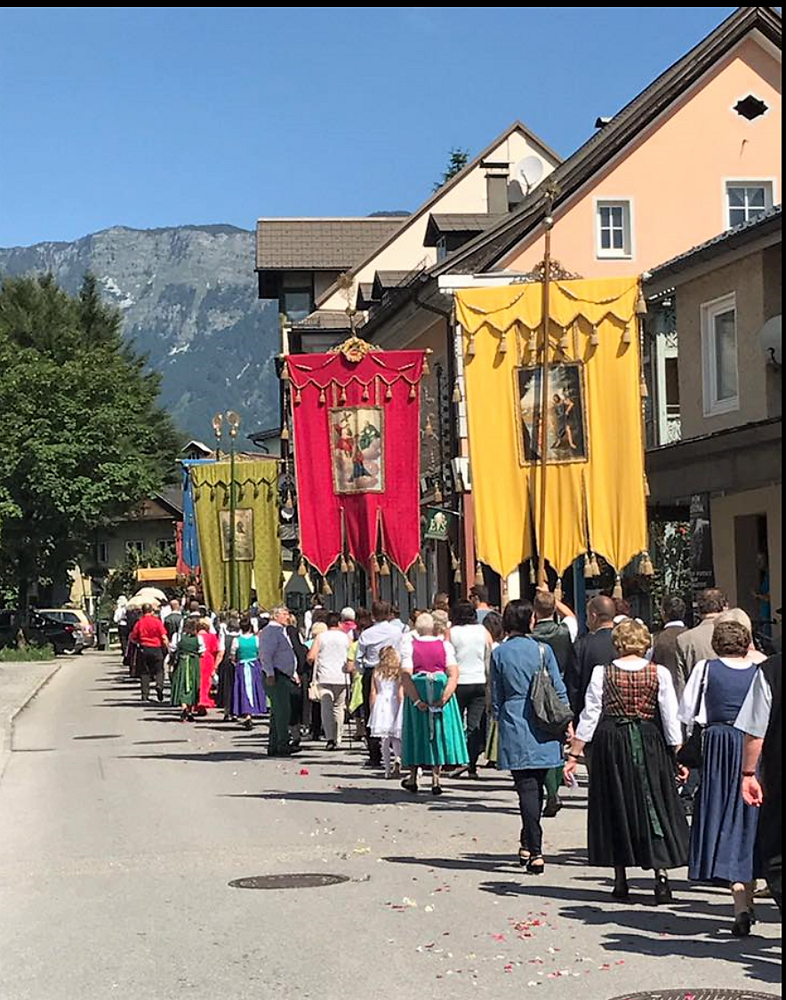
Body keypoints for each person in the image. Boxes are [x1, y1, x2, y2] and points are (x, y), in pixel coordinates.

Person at [565, 619, 689, 904]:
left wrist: (574, 754)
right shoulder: (659, 673)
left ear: (617, 643)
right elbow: (671, 719)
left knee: (615, 803)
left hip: (612, 742)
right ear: (644, 643)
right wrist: (678, 755)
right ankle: (661, 876)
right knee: (653, 802)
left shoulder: (603, 673)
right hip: (649, 740)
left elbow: (590, 716)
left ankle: (620, 879)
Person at [680, 619, 762, 937]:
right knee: (748, 817)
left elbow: (688, 711)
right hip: (752, 744)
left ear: (717, 644)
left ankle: (741, 904)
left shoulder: (706, 669)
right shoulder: (759, 671)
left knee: (722, 813)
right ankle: (747, 898)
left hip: (718, 744)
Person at [492, 600, 570, 876]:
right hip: (544, 719)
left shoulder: (500, 653)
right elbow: (558, 687)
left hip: (515, 719)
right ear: (530, 621)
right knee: (535, 786)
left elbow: (496, 695)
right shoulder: (543, 650)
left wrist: (499, 720)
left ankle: (533, 847)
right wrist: (566, 721)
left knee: (526, 787)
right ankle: (530, 844)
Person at [400, 612, 468, 796]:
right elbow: (453, 673)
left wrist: (416, 700)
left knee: (415, 733)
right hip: (439, 690)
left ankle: (413, 777)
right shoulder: (444, 645)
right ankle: (436, 779)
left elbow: (406, 675)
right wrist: (444, 697)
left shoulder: (409, 645)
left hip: (419, 690)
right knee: (437, 734)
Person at [737, 654, 782, 914]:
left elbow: (755, 730)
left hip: (779, 776)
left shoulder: (771, 670)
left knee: (777, 854)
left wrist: (748, 773)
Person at [532, 589, 579, 818]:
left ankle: (548, 790)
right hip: (561, 686)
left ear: (535, 611)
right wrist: (553, 598)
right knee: (558, 740)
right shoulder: (565, 630)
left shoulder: (530, 636)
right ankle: (554, 789)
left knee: (541, 739)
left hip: (536, 690)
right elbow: (570, 616)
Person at [356, 601, 404, 766]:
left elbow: (358, 657)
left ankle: (375, 754)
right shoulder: (396, 632)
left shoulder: (367, 634)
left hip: (373, 670)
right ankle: (396, 748)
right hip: (394, 669)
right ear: (389, 614)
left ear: (373, 615)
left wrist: (362, 671)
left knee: (372, 710)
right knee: (395, 708)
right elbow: (400, 651)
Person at [449, 600, 493, 779]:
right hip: (479, 681)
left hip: (458, 682)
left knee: (455, 723)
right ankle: (471, 763)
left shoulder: (451, 632)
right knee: (474, 725)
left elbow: (446, 657)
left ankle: (456, 759)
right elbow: (489, 655)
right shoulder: (483, 631)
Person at [566, 596, 617, 721]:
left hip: (588, 716)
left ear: (593, 616)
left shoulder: (582, 645)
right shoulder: (625, 643)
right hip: (620, 716)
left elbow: (573, 687)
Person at [308, 611, 352, 751]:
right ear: (339, 623)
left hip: (324, 676)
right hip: (341, 676)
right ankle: (338, 737)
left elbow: (311, 656)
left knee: (326, 708)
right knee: (339, 707)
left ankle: (330, 738)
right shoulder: (346, 638)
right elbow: (352, 655)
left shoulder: (321, 637)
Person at [260, 606, 300, 757]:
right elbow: (266, 654)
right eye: (284, 614)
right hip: (276, 674)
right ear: (275, 616)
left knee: (278, 711)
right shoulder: (271, 631)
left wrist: (293, 672)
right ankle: (282, 743)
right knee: (282, 711)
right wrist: (269, 673)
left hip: (284, 674)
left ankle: (275, 743)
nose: (287, 617)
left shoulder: (281, 631)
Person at [677, 588, 729, 681]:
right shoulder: (736, 633)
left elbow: (680, 681)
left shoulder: (684, 639)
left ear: (699, 610)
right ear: (725, 607)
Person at [369, 646, 404, 779]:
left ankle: (387, 769)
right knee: (396, 736)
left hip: (381, 702)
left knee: (384, 738)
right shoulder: (398, 671)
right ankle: (398, 757)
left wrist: (372, 708)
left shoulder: (377, 671)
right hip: (394, 701)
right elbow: (400, 692)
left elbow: (373, 692)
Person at [231, 616, 267, 730]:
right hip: (254, 666)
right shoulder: (256, 640)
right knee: (253, 689)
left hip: (242, 666)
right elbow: (260, 654)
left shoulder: (236, 640)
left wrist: (235, 661)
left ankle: (247, 714)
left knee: (243, 689)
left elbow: (233, 656)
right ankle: (251, 712)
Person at [128, 603, 169, 703]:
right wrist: (167, 647)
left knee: (144, 672)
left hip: (144, 648)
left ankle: (145, 695)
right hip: (156, 648)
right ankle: (159, 685)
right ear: (152, 611)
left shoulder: (139, 622)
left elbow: (132, 637)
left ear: (142, 611)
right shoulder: (157, 622)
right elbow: (163, 637)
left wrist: (139, 642)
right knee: (159, 670)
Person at [651, 596, 690, 700]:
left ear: (663, 613)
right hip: (690, 697)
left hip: (663, 696)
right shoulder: (693, 637)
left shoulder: (655, 639)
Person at [170, 618, 201, 722]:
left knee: (182, 684)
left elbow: (173, 648)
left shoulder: (178, 636)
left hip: (182, 662)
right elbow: (202, 651)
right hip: (194, 662)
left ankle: (184, 707)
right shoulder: (198, 638)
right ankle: (189, 711)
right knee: (193, 685)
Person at [217, 612, 242, 721]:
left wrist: (215, 666)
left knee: (227, 687)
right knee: (238, 686)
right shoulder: (241, 638)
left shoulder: (225, 638)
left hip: (227, 664)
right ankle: (236, 711)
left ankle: (227, 711)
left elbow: (221, 652)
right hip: (239, 664)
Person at [196, 619, 221, 715]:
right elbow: (215, 649)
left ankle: (197, 701)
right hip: (208, 660)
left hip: (198, 659)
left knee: (198, 680)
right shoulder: (212, 636)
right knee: (206, 682)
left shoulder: (195, 636)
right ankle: (204, 700)